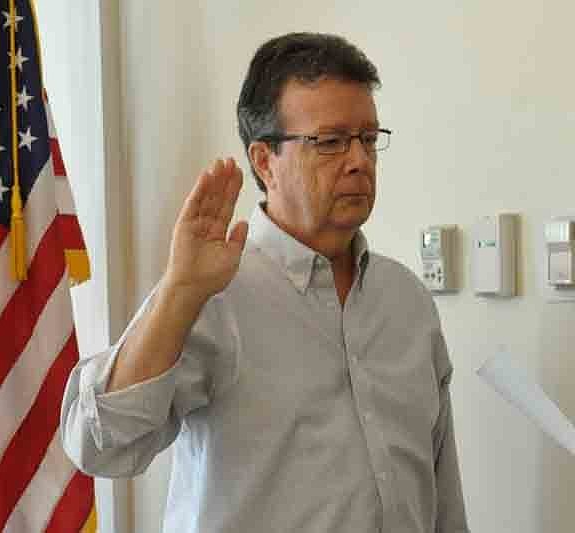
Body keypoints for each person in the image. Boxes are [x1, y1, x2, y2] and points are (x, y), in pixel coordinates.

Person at [61, 32, 469, 533]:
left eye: (368, 138)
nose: (359, 160)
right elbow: (99, 446)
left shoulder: (407, 300)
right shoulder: (213, 292)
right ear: (264, 161)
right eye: (331, 141)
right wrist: (180, 291)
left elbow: (441, 488)